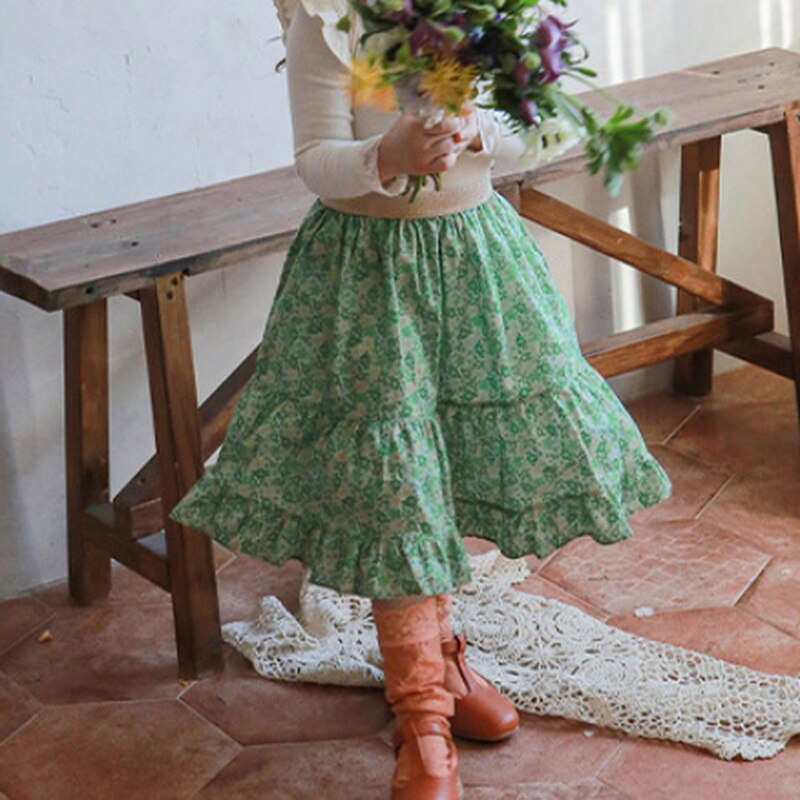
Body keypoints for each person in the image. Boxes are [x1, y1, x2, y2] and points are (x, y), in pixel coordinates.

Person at [170, 2, 673, 797]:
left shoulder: (487, 17)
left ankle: (442, 657)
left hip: (475, 263)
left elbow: (541, 128)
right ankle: (423, 715)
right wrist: (387, 153)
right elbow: (314, 158)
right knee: (396, 487)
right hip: (368, 279)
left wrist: (479, 132)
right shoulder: (329, 21)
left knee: (447, 471)